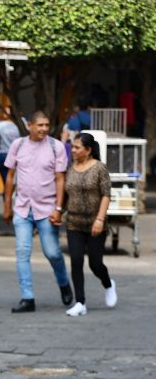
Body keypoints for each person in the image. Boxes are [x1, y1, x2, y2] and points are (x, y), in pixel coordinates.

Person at [3, 111, 73, 313]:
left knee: (52, 253)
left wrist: (59, 209)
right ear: (30, 126)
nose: (43, 129)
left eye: (46, 125)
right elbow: (10, 176)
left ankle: (63, 283)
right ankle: (27, 297)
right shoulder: (18, 145)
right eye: (39, 125)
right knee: (22, 252)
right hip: (23, 209)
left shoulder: (56, 146)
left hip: (47, 209)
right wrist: (7, 205)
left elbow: (61, 179)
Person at [60, 133, 117, 316]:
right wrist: (58, 211)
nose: (73, 150)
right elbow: (66, 194)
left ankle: (108, 284)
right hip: (74, 223)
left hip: (95, 223)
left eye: (77, 147)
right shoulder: (71, 168)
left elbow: (106, 195)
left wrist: (100, 219)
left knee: (95, 263)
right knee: (76, 260)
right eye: (72, 147)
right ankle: (80, 303)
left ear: (88, 150)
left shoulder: (100, 168)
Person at [0, 106, 21, 191]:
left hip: (2, 155)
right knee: (12, 181)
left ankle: (7, 200)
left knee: (6, 180)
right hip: (15, 156)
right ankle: (8, 199)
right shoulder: (19, 126)